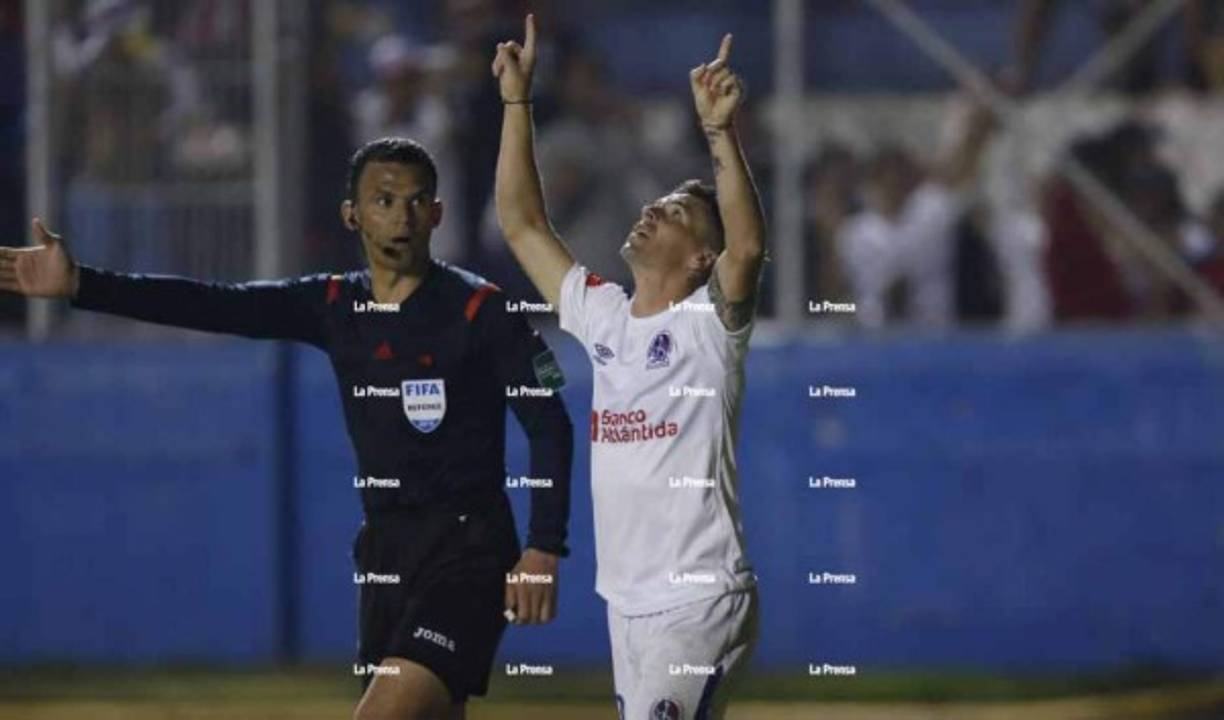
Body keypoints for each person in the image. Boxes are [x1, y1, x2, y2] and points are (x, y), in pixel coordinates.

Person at [0, 137, 573, 720]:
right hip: (387, 550)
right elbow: (213, 304)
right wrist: (82, 285)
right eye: (383, 200)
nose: (401, 216)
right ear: (351, 214)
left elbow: (548, 420)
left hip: (469, 549)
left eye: (416, 201)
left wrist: (543, 548)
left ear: (437, 214)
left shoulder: (480, 310)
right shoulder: (333, 304)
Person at [492, 16, 763, 719]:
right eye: (657, 201)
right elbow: (522, 225)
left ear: (702, 258)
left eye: (674, 211)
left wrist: (718, 133)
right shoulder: (604, 315)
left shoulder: (710, 327)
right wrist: (517, 104)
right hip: (627, 604)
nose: (652, 210)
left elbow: (748, 251)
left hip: (699, 597)